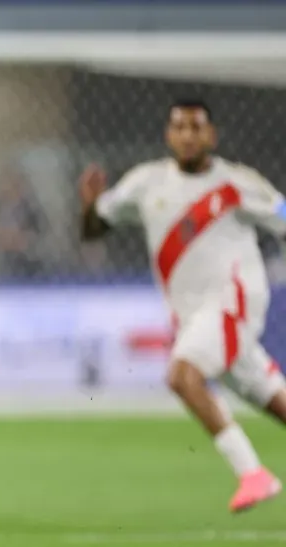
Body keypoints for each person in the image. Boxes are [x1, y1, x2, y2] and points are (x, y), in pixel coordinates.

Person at [80, 99, 286, 513]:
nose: (188, 135)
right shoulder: (146, 182)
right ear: (168, 135)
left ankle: (253, 473)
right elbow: (95, 228)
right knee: (273, 399)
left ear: (211, 135)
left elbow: (281, 213)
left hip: (234, 302)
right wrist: (90, 203)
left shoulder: (237, 183)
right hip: (195, 316)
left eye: (196, 127)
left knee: (182, 375)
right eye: (180, 127)